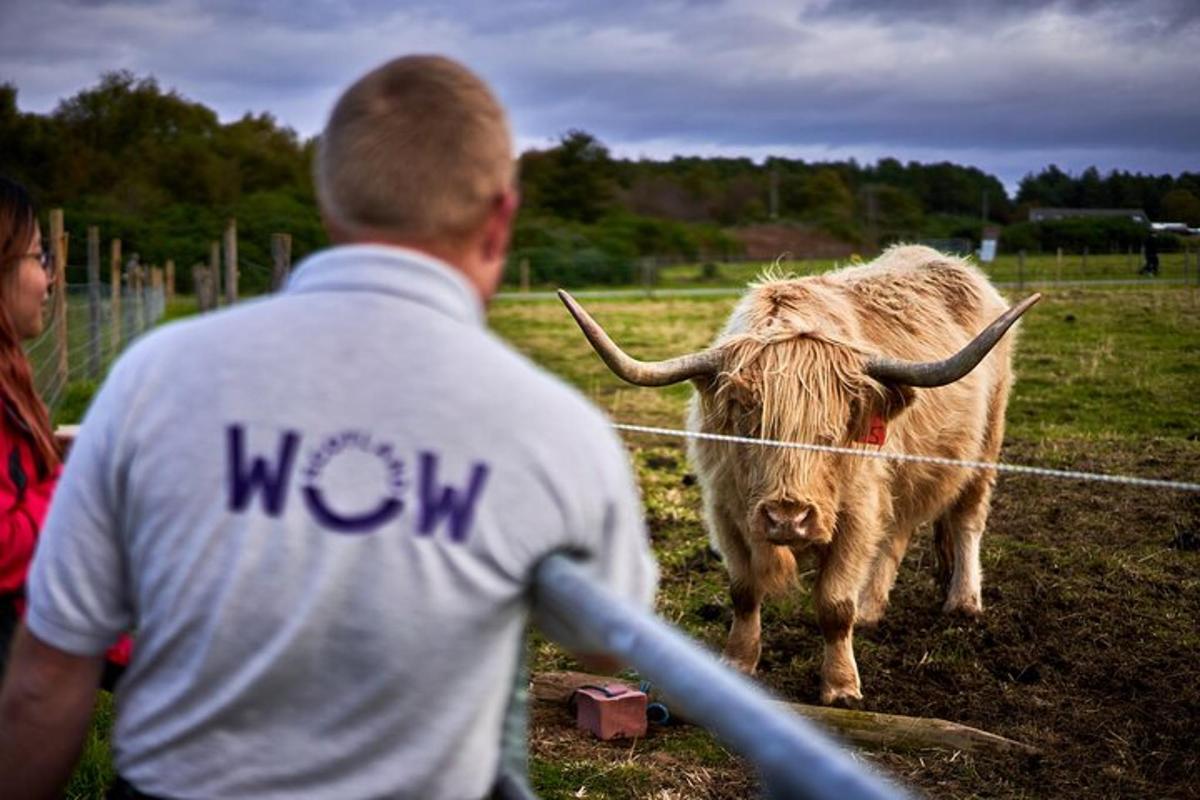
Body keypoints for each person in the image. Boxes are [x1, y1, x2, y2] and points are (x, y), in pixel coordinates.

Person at [0, 56, 657, 800]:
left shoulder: (158, 375)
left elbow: (47, 673)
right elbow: (608, 642)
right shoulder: (557, 427)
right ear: (501, 215)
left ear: (332, 205)